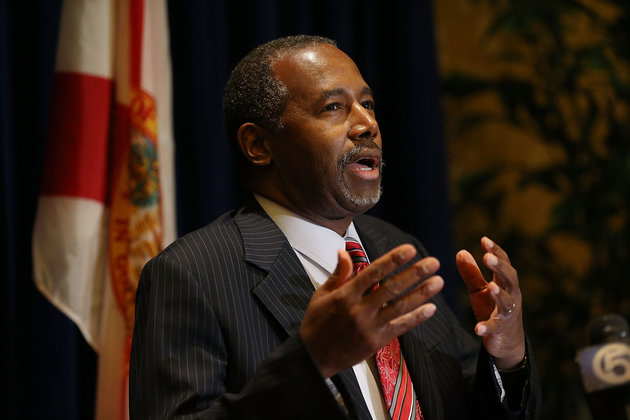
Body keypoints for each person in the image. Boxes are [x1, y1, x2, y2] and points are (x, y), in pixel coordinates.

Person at [129, 35, 541, 419]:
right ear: (259, 145)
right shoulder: (193, 275)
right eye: (333, 108)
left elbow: (460, 403)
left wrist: (507, 356)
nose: (367, 124)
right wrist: (311, 364)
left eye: (368, 104)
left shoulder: (396, 250)